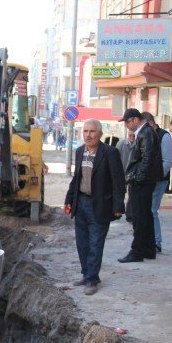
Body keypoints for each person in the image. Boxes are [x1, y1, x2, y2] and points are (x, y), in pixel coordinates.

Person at [64, 119, 125, 295]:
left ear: (99, 134)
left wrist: (118, 206)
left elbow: (118, 181)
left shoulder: (110, 153)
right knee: (82, 242)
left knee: (95, 243)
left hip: (100, 205)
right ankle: (86, 274)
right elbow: (77, 179)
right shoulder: (79, 152)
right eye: (85, 131)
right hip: (81, 202)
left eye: (92, 131)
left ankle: (92, 280)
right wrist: (69, 200)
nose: (88, 135)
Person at [118, 108, 162, 263]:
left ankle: (137, 251)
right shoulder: (145, 133)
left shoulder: (145, 133)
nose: (126, 126)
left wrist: (138, 179)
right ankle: (148, 249)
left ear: (135, 120)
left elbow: (147, 159)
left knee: (139, 217)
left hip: (142, 182)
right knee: (145, 215)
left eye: (127, 122)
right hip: (144, 181)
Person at [142, 112, 172, 253]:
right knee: (146, 211)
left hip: (158, 181)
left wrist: (157, 177)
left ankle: (156, 242)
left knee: (152, 210)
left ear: (150, 123)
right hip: (147, 181)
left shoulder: (164, 136)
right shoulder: (145, 136)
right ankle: (147, 240)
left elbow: (167, 162)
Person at [116, 130, 135, 222]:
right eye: (130, 135)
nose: (132, 138)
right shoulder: (121, 144)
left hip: (132, 174)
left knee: (132, 194)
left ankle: (130, 215)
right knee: (120, 192)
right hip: (121, 172)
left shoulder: (138, 144)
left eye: (134, 136)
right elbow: (115, 158)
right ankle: (118, 211)